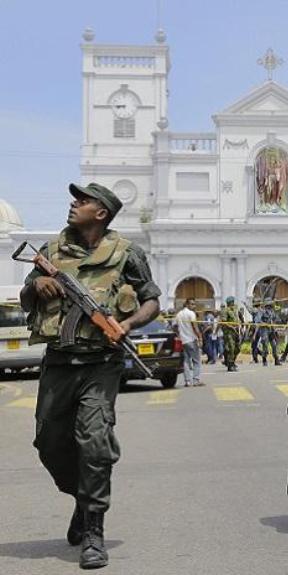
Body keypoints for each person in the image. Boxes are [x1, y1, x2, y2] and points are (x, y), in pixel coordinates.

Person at [20, 182, 160, 569]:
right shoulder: (49, 251)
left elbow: (152, 299)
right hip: (59, 362)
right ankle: (82, 499)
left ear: (101, 213)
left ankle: (94, 531)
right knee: (49, 443)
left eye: (83, 201)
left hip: (101, 363)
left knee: (94, 442)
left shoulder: (127, 252)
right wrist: (38, 284)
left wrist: (128, 324)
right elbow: (26, 297)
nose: (73, 204)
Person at [174, 298, 203, 387]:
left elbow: (175, 326)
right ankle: (196, 380)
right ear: (187, 304)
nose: (194, 306)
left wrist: (179, 335)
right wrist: (200, 338)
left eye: (194, 304)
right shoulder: (191, 314)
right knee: (196, 361)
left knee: (186, 361)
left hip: (183, 341)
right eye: (192, 304)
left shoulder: (178, 314)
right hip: (191, 340)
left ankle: (187, 381)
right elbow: (195, 327)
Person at [221, 296, 240, 372]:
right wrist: (232, 327)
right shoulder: (225, 311)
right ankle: (230, 364)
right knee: (231, 348)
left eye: (233, 301)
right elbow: (224, 322)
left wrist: (239, 327)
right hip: (229, 332)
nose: (232, 303)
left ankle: (230, 361)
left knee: (237, 348)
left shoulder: (235, 310)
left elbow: (238, 319)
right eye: (231, 302)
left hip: (236, 332)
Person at [260, 299, 281, 366]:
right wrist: (265, 323)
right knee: (265, 346)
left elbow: (277, 319)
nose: (270, 307)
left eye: (270, 305)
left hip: (271, 331)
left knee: (274, 345)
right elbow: (258, 321)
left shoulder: (273, 312)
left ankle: (276, 360)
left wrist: (275, 326)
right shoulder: (262, 312)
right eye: (269, 305)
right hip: (265, 331)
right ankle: (264, 359)